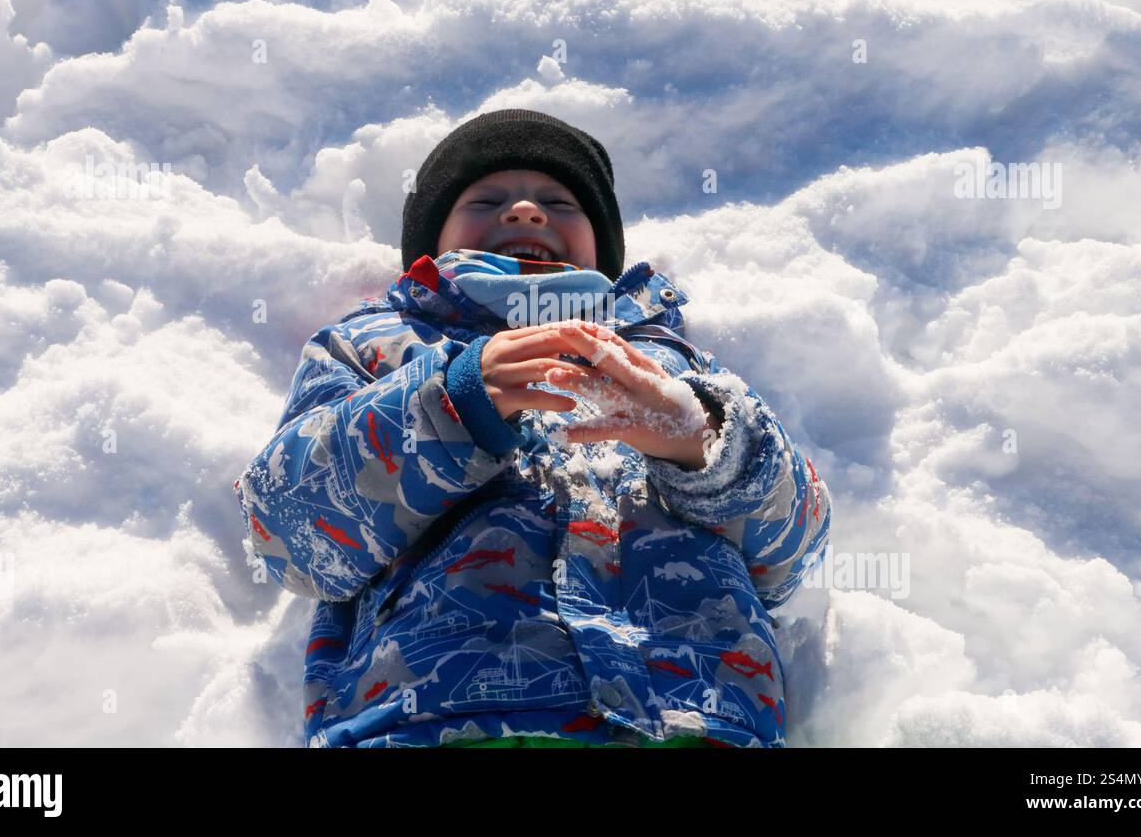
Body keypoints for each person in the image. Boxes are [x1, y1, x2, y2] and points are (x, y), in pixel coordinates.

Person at [234, 108, 831, 748]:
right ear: (430, 245)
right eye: (486, 198)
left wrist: (702, 439)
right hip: (439, 717)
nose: (523, 210)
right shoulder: (379, 347)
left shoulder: (668, 363)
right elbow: (288, 534)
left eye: (559, 200)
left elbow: (792, 554)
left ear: (603, 244)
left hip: (696, 717)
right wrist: (450, 406)